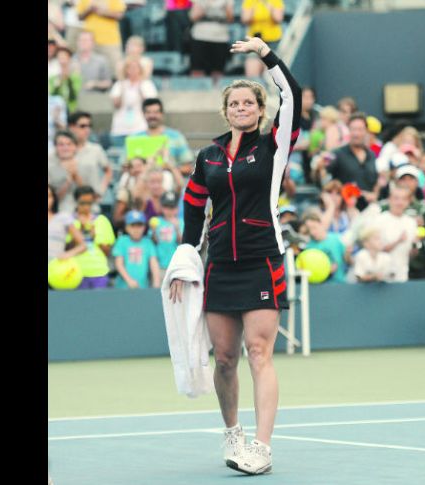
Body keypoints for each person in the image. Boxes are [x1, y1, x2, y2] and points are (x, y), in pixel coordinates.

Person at [169, 36, 300, 475]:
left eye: (249, 102)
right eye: (235, 103)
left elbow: (293, 95)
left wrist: (265, 54)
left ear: (261, 110)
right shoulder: (208, 156)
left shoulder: (274, 147)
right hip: (220, 264)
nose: (242, 107)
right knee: (224, 358)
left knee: (258, 352)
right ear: (226, 111)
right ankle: (233, 433)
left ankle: (262, 448)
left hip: (264, 260)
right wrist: (185, 261)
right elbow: (192, 209)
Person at [314, 113, 381, 206]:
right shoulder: (337, 154)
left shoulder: (371, 155)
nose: (356, 134)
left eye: (360, 129)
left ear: (366, 131)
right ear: (348, 130)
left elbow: (376, 180)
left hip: (368, 209)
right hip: (345, 208)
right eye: (353, 129)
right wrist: (319, 168)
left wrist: (374, 194)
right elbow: (323, 180)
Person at [126, 98, 195, 180]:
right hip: (140, 183)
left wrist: (169, 169)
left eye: (156, 112)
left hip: (168, 182)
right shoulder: (135, 138)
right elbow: (125, 166)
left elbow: (188, 167)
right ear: (143, 114)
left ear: (162, 114)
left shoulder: (176, 137)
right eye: (148, 112)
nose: (152, 116)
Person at [71, 185, 116, 289]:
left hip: (99, 272)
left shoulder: (102, 220)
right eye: (82, 203)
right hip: (75, 273)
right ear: (76, 202)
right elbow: (67, 248)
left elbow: (107, 251)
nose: (86, 207)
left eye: (89, 203)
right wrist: (80, 233)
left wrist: (94, 237)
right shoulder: (69, 222)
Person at [68, 111, 113, 211]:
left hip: (91, 204)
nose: (87, 129)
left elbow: (108, 171)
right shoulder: (62, 150)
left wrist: (101, 191)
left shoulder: (96, 149)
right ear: (71, 127)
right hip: (67, 204)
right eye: (82, 126)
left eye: (89, 126)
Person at [109, 56, 158, 146]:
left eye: (136, 67)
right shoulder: (119, 84)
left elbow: (150, 106)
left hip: (140, 128)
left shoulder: (147, 84)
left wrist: (140, 89)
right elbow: (116, 105)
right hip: (120, 129)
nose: (133, 70)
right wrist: (123, 90)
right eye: (130, 67)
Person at [113, 209, 161, 288]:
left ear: (144, 227)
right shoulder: (122, 241)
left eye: (139, 225)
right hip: (123, 287)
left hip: (143, 286)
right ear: (126, 227)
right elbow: (119, 264)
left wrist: (156, 281)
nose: (136, 229)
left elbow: (153, 263)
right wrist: (129, 280)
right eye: (133, 225)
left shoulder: (148, 242)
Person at [76, 0, 126, 73]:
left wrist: (101, 11)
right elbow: (79, 17)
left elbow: (119, 15)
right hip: (89, 42)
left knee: (114, 70)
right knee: (89, 71)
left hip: (110, 40)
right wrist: (90, 9)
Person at [189, 0, 234, 81]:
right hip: (200, 37)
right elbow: (193, 16)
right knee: (197, 70)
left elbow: (230, 18)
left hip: (220, 38)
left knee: (218, 71)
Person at [149, 191, 184, 281]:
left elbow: (182, 243)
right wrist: (153, 231)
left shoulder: (181, 222)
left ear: (177, 208)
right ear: (162, 207)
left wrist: (177, 228)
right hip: (159, 265)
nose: (169, 210)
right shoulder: (157, 221)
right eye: (166, 207)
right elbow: (153, 242)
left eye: (172, 207)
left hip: (176, 266)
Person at [48, 184, 86, 264]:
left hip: (55, 269)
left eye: (49, 196)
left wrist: (68, 254)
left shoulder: (63, 218)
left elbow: (83, 245)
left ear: (54, 199)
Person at [48, 47, 82, 114]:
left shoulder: (76, 77)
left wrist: (68, 78)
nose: (62, 60)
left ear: (69, 59)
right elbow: (52, 95)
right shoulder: (52, 78)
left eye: (64, 57)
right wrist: (59, 82)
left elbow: (74, 95)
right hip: (56, 112)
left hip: (72, 110)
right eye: (60, 57)